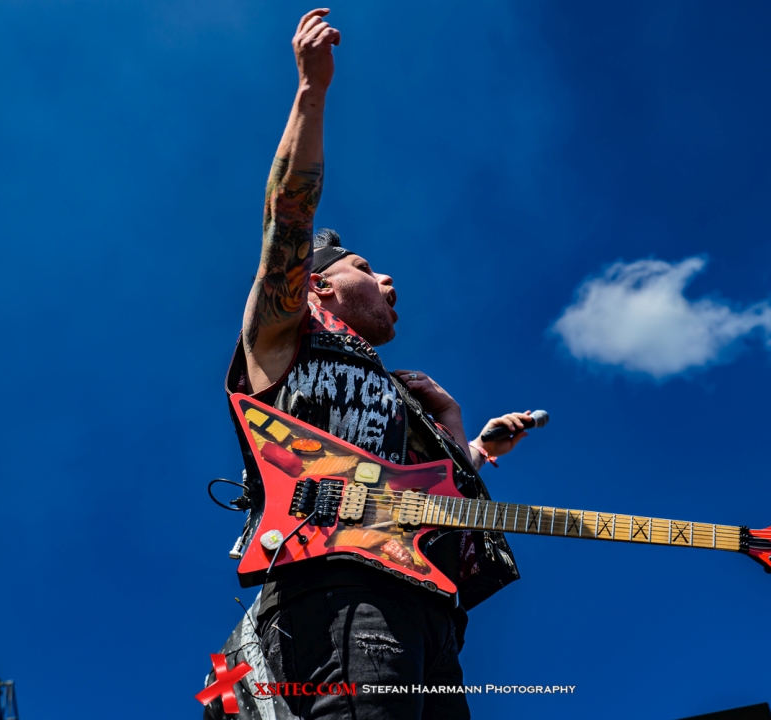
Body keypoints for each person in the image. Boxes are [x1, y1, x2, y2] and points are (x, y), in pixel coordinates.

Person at [210, 9, 535, 719]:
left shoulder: (404, 396)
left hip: (432, 615)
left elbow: (429, 502)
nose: (389, 282)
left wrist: (463, 435)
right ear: (318, 282)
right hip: (339, 596)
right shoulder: (283, 337)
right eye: (367, 268)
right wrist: (311, 89)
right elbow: (287, 218)